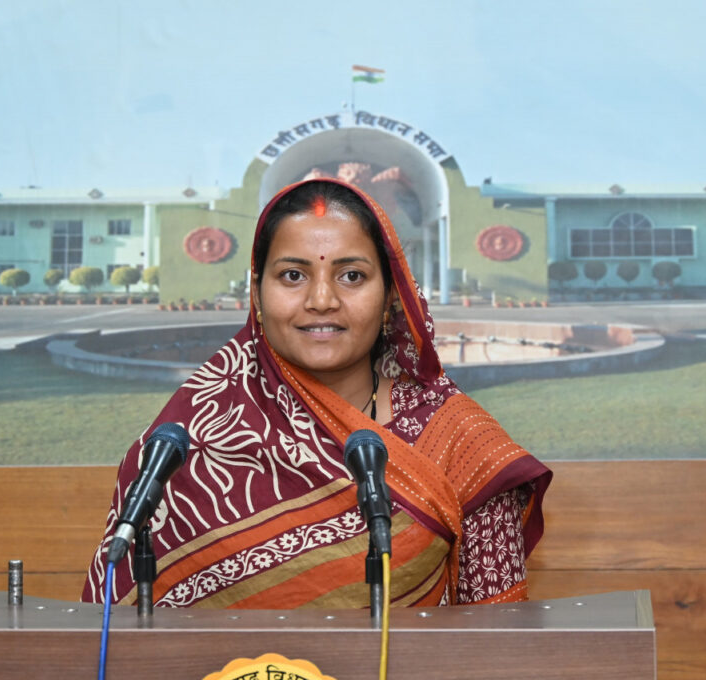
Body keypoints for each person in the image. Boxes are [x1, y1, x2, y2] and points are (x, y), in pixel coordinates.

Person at [82, 178, 552, 608]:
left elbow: (496, 635)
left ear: (391, 295)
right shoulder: (186, 437)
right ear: (256, 294)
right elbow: (120, 627)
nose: (322, 300)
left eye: (352, 276)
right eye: (293, 275)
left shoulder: (458, 440)